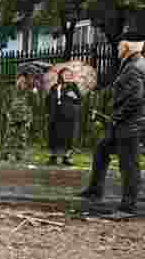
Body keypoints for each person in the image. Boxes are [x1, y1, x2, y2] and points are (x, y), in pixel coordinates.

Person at [78, 31, 145, 217]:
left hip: (130, 124)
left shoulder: (134, 67)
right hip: (126, 123)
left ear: (127, 47)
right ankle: (94, 190)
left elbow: (136, 98)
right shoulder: (133, 63)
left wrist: (117, 117)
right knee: (102, 150)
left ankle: (128, 207)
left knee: (129, 164)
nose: (117, 49)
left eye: (119, 46)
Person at [47, 68, 81, 166]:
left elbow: (79, 100)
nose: (67, 76)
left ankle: (66, 157)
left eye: (69, 75)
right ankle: (53, 157)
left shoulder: (73, 87)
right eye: (65, 74)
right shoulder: (54, 87)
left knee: (68, 136)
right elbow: (48, 99)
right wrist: (49, 111)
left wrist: (74, 96)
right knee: (54, 136)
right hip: (56, 114)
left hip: (69, 115)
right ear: (61, 75)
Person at [1, 73, 36, 162]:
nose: (21, 81)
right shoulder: (11, 90)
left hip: (25, 117)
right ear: (17, 80)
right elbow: (6, 102)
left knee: (22, 138)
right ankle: (5, 154)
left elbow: (32, 105)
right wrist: (7, 113)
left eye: (23, 80)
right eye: (20, 79)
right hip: (12, 117)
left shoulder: (29, 91)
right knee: (9, 136)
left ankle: (19, 155)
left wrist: (29, 118)